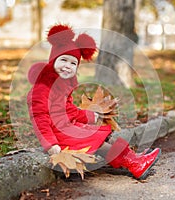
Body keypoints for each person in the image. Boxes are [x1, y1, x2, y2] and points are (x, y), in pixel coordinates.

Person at [27, 24, 161, 180]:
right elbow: (40, 118)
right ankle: (133, 164)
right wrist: (50, 145)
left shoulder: (62, 87)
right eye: (63, 60)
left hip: (67, 129)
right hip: (59, 137)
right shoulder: (42, 88)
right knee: (96, 140)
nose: (67, 66)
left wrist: (89, 116)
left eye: (73, 63)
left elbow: (69, 111)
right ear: (52, 61)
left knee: (103, 133)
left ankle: (132, 156)